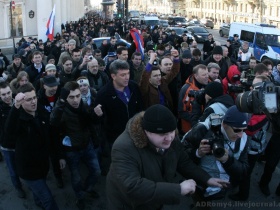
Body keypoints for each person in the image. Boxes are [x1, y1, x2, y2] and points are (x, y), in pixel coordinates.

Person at [106, 104, 229, 210]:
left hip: (154, 201)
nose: (169, 138)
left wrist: (207, 179)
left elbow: (183, 162)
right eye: (162, 134)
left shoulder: (170, 136)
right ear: (146, 131)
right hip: (131, 205)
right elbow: (132, 187)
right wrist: (178, 189)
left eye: (171, 132)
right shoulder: (123, 147)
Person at [5, 83, 59, 210]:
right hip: (28, 169)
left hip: (42, 164)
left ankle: (38, 202)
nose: (33, 102)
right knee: (48, 200)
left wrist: (59, 156)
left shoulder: (40, 111)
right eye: (28, 100)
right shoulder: (19, 119)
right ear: (22, 102)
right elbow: (9, 132)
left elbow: (50, 136)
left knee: (39, 192)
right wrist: (16, 106)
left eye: (34, 98)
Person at [183, 105, 248, 209]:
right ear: (224, 124)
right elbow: (182, 157)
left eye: (244, 130)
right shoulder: (202, 130)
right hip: (201, 185)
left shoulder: (244, 138)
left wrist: (228, 161)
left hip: (223, 187)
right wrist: (197, 153)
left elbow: (244, 170)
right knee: (202, 205)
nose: (241, 135)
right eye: (237, 130)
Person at [50, 81, 101, 210]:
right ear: (65, 98)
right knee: (76, 178)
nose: (75, 100)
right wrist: (60, 156)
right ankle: (80, 197)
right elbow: (53, 122)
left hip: (87, 145)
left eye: (78, 96)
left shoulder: (82, 105)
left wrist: (95, 114)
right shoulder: (61, 109)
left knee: (96, 171)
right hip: (71, 151)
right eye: (71, 97)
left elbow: (89, 122)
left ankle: (88, 189)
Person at [229, 75, 270, 201]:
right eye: (253, 85)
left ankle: (243, 194)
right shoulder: (257, 99)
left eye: (257, 86)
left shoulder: (268, 105)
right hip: (246, 143)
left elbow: (251, 128)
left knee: (245, 172)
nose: (253, 88)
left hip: (253, 147)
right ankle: (235, 182)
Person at [0, 82, 25, 197]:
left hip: (20, 143)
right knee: (13, 171)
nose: (7, 96)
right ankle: (18, 187)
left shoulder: (18, 102)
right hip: (7, 146)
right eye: (3, 94)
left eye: (8, 92)